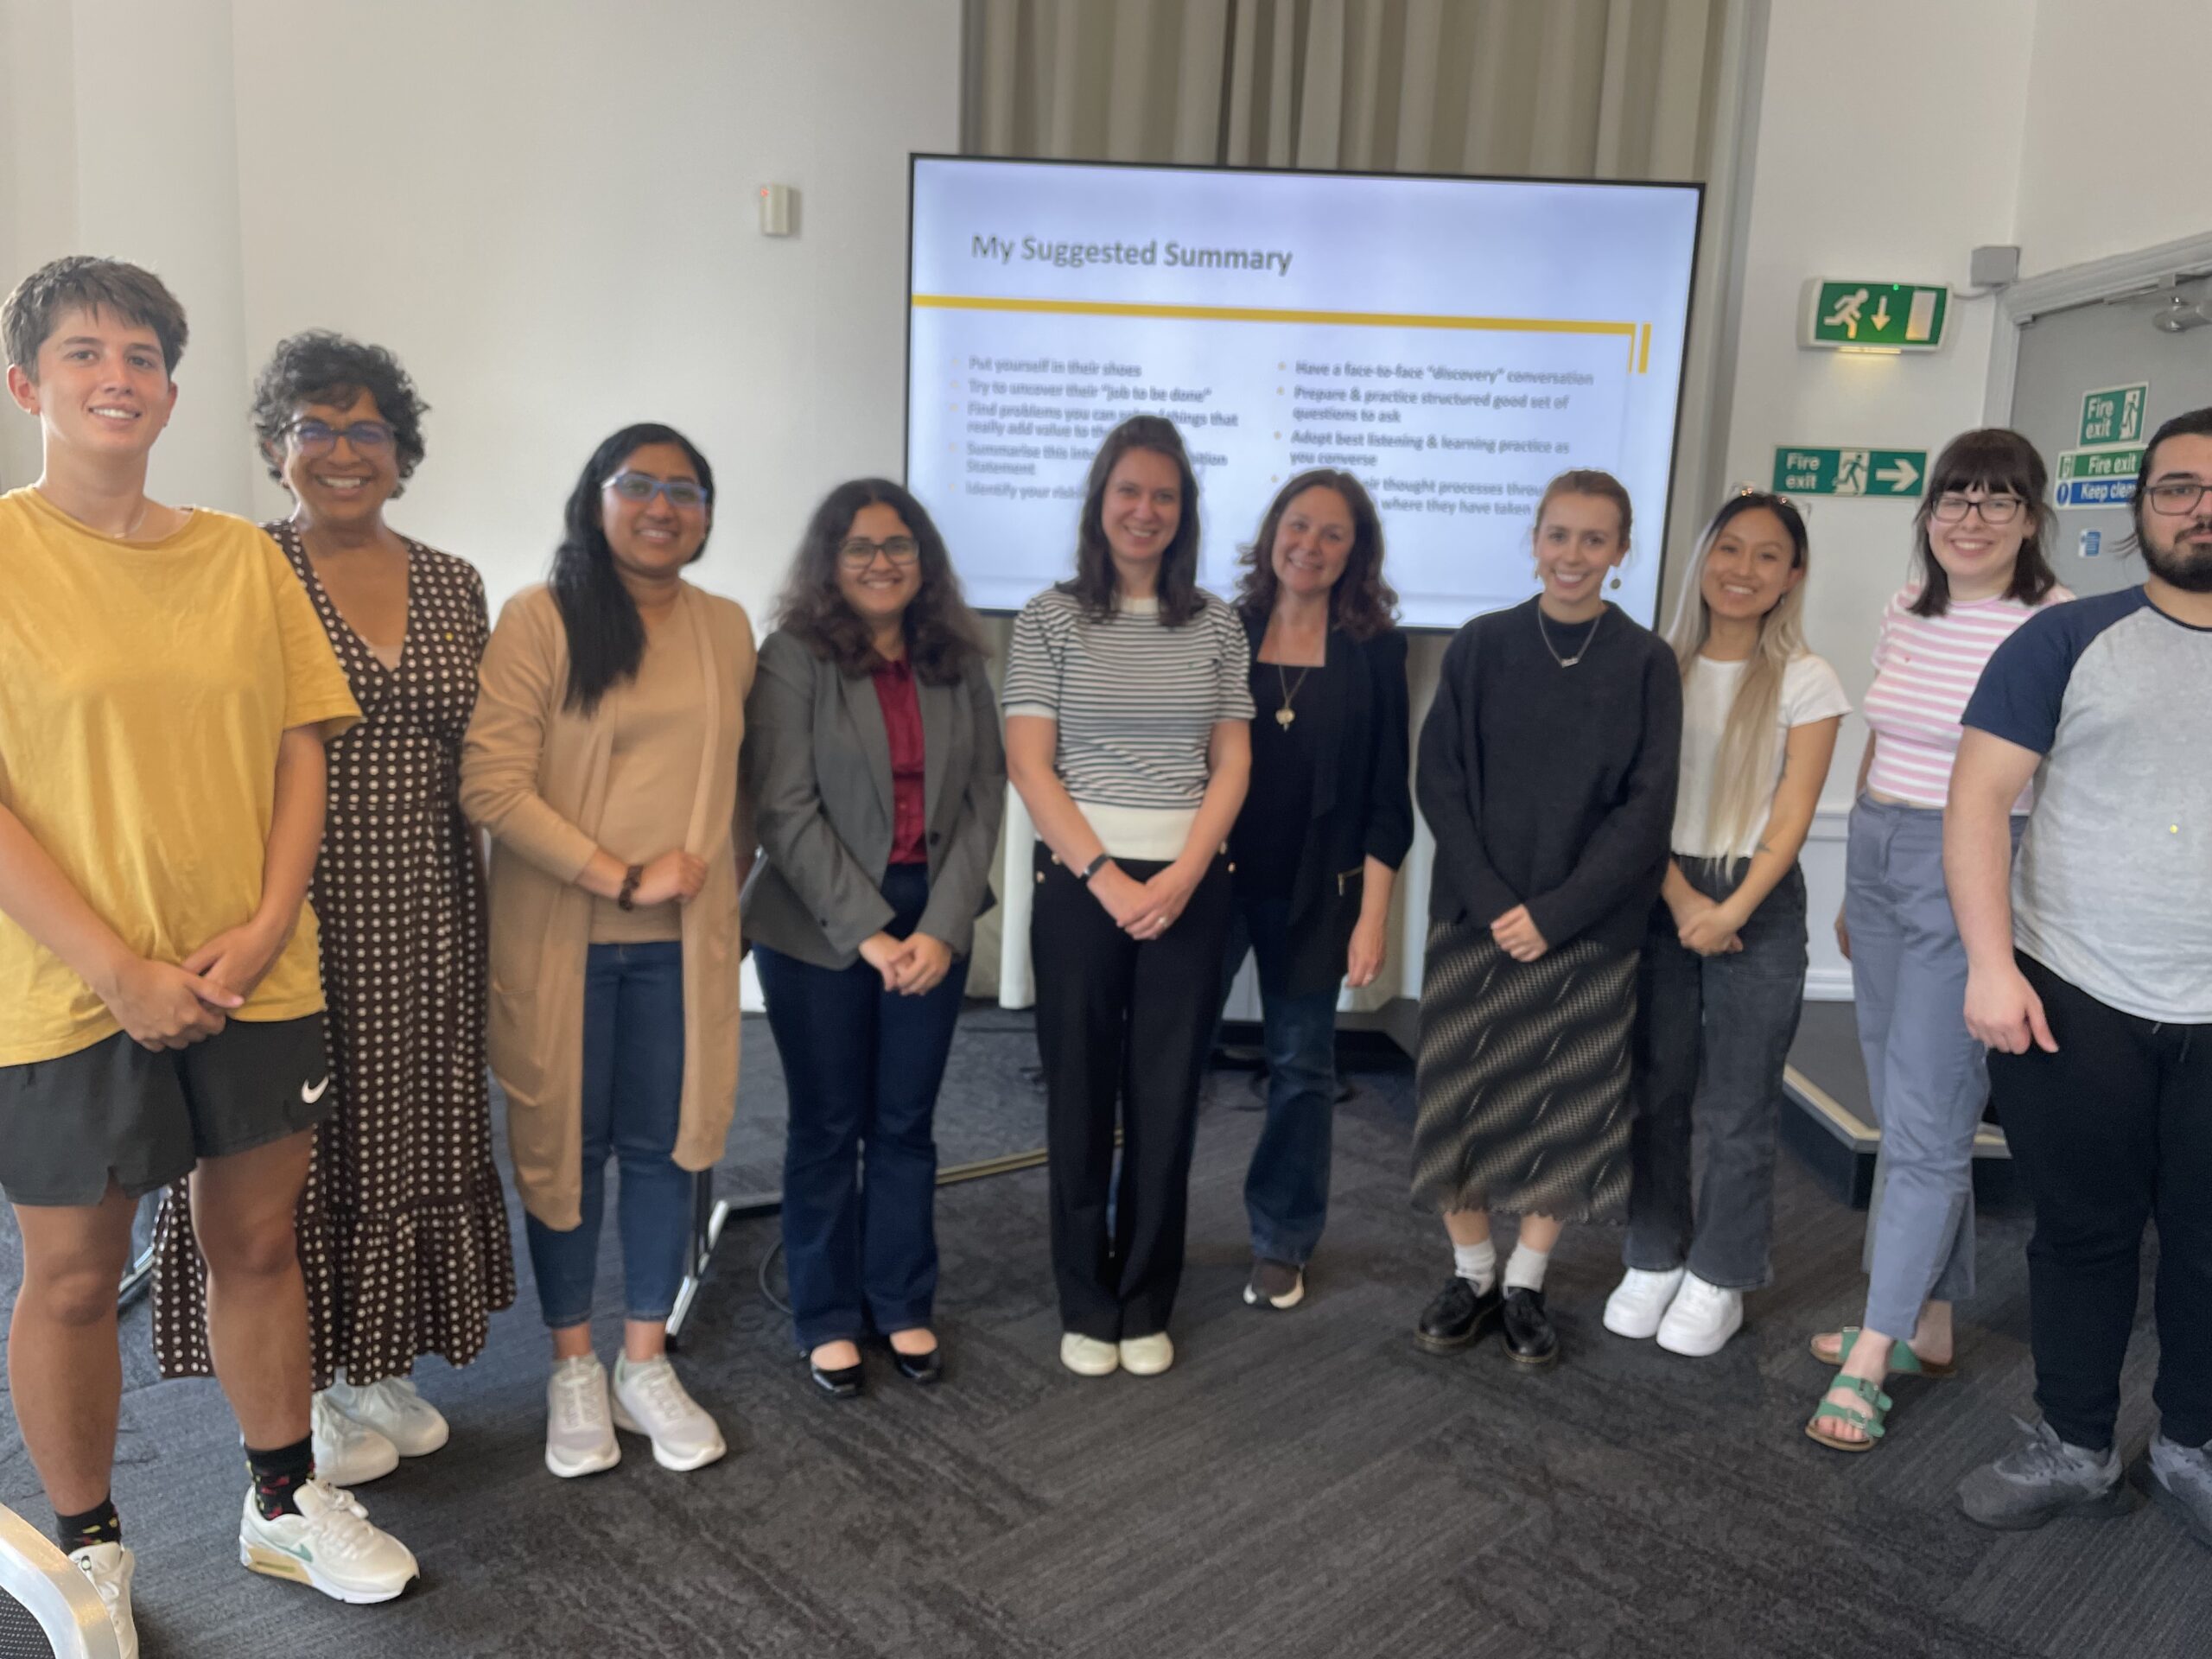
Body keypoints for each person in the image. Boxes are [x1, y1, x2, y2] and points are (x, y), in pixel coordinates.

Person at [0, 257, 418, 1652]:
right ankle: (90, 1549)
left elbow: (301, 749)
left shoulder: (243, 557)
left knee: (254, 1243)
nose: (115, 376)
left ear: (171, 393)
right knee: (73, 1278)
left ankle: (283, 1502)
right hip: (67, 990)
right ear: (27, 383)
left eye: (141, 355)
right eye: (83, 352)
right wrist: (118, 969)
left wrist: (268, 924)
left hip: (255, 975)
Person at [152, 331, 514, 1484]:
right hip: (288, 906)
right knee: (296, 1147)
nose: (345, 451)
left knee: (414, 1120)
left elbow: (486, 756)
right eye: (317, 428)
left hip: (435, 903)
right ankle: (299, 1384)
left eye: (370, 430)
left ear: (402, 453)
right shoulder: (241, 565)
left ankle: (374, 1361)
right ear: (277, 446)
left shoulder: (454, 581)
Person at [461, 423, 755, 1478]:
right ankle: (572, 1366)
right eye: (639, 484)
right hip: (565, 948)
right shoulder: (539, 620)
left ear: (706, 515)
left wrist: (721, 901)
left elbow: (740, 788)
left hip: (682, 952)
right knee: (563, 1157)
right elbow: (490, 785)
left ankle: (644, 1359)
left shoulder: (725, 628)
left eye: (686, 490)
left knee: (671, 1147)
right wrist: (620, 875)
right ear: (598, 498)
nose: (662, 506)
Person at [1948, 406, 2212, 1546]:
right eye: (2178, 488)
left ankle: (2195, 1444)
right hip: (2073, 991)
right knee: (2082, 1232)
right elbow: (1974, 802)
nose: (2200, 509)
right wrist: (1990, 965)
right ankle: (2076, 1443)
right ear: (2141, 509)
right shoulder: (2066, 638)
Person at [1798, 430, 2068, 1449]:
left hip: (1972, 862)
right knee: (1901, 1100)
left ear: (2030, 520)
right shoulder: (1908, 605)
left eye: (1998, 501)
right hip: (1879, 849)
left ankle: (1872, 1352)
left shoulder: (2053, 625)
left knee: (1925, 1120)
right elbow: (1883, 735)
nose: (1970, 519)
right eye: (1954, 498)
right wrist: (1853, 885)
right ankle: (1928, 1321)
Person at [1411, 468, 1681, 1368]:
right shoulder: (1481, 645)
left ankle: (1526, 1281)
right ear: (1534, 541)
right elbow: (1439, 781)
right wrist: (1499, 906)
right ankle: (1472, 1273)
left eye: (1594, 539)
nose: (1573, 555)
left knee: (1564, 1117)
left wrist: (1557, 914)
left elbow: (1646, 809)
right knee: (1458, 1109)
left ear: (1621, 551)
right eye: (1558, 535)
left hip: (1589, 930)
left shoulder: (1646, 662)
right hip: (1474, 919)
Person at [1004, 414, 1253, 1378]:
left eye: (1164, 495)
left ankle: (1146, 1300)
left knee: (1166, 1098)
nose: (1145, 510)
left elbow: (1232, 762)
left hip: (1190, 886)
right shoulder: (1048, 617)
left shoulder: (1217, 623)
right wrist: (1106, 878)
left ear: (1183, 511)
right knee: (1078, 1093)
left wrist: (1183, 873)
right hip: (1081, 886)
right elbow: (1031, 765)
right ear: (1099, 500)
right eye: (1128, 492)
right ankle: (1086, 1300)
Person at [745, 479, 1004, 1396]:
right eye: (859, 547)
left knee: (904, 1124)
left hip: (932, 916)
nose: (881, 562)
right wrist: (870, 932)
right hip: (816, 926)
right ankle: (824, 1314)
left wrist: (939, 928)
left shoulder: (957, 660)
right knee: (826, 1124)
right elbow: (784, 807)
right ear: (831, 561)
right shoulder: (793, 655)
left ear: (923, 560)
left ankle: (900, 1300)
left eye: (899, 545)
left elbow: (983, 798)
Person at [1603, 490, 1847, 1358]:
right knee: (1655, 1092)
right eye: (1729, 548)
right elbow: (1630, 802)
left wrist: (1732, 909)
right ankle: (1654, 1253)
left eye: (1767, 555)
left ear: (1793, 576)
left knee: (1741, 1105)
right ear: (1702, 557)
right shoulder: (1653, 666)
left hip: (1759, 900)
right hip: (1659, 890)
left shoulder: (1808, 679)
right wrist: (1683, 903)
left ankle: (1721, 1274)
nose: (1743, 570)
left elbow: (1793, 813)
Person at [1218, 470, 1411, 1312]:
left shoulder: (1377, 652)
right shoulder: (1222, 630)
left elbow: (1386, 799)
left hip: (1316, 893)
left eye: (1334, 533)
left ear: (1355, 551)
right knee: (1167, 1060)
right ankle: (1143, 1227)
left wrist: (1372, 919)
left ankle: (1281, 1240)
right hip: (1211, 884)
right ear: (1272, 533)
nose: (1311, 546)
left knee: (1300, 1066)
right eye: (1298, 526)